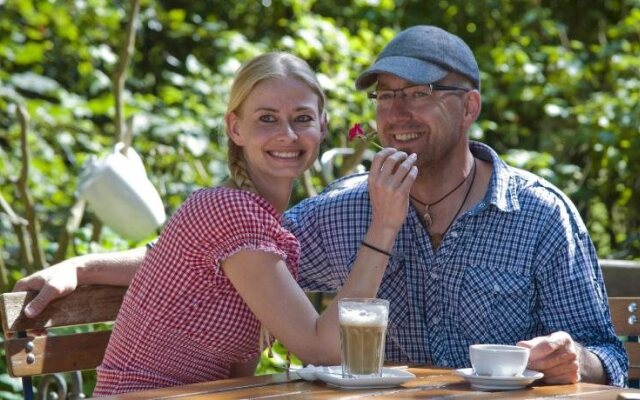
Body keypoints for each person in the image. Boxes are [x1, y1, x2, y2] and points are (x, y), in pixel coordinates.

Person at [14, 26, 627, 387]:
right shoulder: (345, 213)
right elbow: (207, 257)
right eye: (386, 97)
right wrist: (86, 266)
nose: (396, 112)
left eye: (418, 94)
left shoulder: (540, 215)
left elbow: (611, 355)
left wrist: (579, 364)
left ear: (469, 107)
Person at [85, 52, 418, 394]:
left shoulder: (264, 223)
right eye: (267, 119)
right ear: (235, 128)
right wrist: (385, 225)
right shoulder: (229, 211)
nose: (287, 134)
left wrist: (85, 268)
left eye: (302, 118)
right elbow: (324, 349)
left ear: (322, 126)